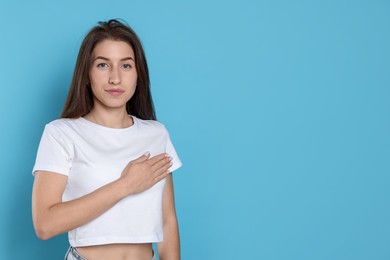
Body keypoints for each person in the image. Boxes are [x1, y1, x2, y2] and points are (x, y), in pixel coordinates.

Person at [32, 19, 182, 260]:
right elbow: (45, 224)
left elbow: (167, 220)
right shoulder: (60, 133)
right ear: (87, 74)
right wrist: (126, 185)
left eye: (126, 66)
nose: (115, 78)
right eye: (103, 65)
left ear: (137, 74)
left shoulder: (156, 134)